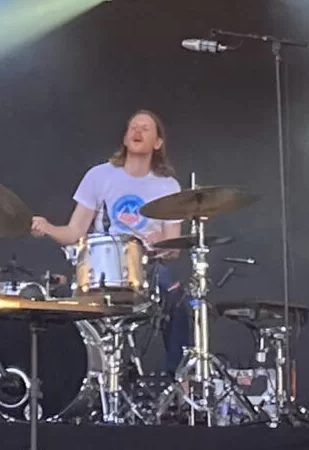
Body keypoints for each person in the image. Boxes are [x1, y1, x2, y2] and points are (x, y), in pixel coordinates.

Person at [28, 109, 190, 377]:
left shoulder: (167, 185)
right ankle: (70, 379)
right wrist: (47, 228)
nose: (137, 131)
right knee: (59, 304)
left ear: (158, 142)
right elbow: (75, 231)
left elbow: (173, 248)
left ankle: (180, 380)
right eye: (132, 127)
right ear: (125, 138)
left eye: (145, 128)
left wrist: (161, 242)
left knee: (177, 300)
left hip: (147, 267)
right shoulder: (99, 176)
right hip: (101, 266)